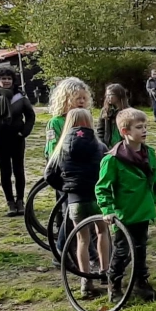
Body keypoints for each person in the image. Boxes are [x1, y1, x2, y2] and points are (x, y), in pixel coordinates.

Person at [95, 107, 156, 302]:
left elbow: (154, 179)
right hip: (124, 214)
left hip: (143, 211)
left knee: (140, 249)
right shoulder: (113, 159)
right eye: (139, 127)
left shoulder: (150, 153)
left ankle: (141, 282)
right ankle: (114, 284)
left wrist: (153, 200)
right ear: (125, 132)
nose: (144, 131)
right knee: (123, 251)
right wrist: (107, 210)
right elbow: (102, 188)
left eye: (145, 126)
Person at [49, 106, 106, 295]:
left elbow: (49, 174)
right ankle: (105, 273)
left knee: (82, 239)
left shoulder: (61, 147)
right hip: (97, 198)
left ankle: (86, 281)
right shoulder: (100, 146)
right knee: (102, 233)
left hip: (75, 201)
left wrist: (66, 187)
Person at [0, 65, 37, 216]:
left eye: (9, 78)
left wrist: (24, 132)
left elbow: (31, 116)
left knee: (19, 170)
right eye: (3, 79)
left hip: (17, 138)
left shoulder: (20, 96)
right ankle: (10, 203)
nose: (6, 81)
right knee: (5, 171)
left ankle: (20, 201)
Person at [44, 77, 94, 158]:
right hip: (63, 164)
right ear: (66, 99)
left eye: (84, 98)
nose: (82, 101)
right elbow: (52, 149)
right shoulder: (55, 122)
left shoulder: (85, 119)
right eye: (78, 98)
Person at [98, 83, 131, 148]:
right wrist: (102, 144)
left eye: (111, 95)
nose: (108, 97)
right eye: (107, 95)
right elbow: (100, 130)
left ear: (119, 95)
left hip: (124, 146)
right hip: (108, 147)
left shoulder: (128, 112)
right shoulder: (105, 111)